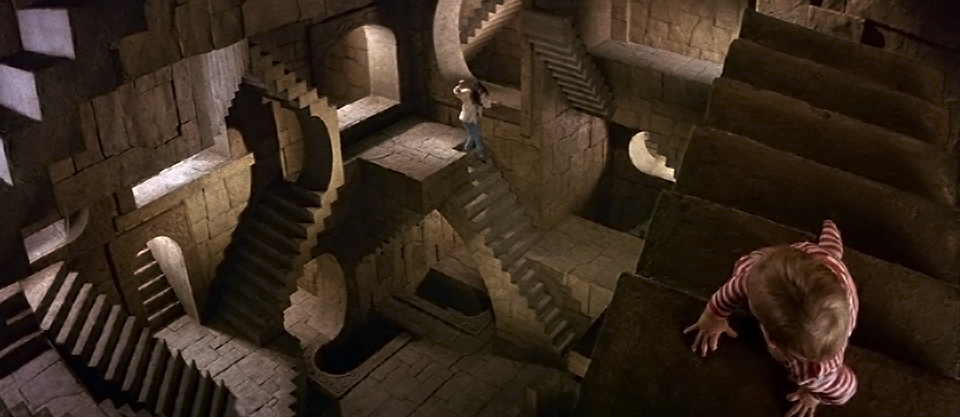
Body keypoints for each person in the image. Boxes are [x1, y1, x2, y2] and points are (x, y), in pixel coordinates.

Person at [684, 220, 858, 417]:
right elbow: (739, 285)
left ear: (774, 344)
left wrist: (814, 395)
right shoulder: (762, 277)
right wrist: (714, 315)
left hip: (812, 260)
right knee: (758, 270)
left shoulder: (817, 371)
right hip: (825, 269)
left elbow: (845, 390)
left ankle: (830, 247)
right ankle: (830, 248)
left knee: (757, 267)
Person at [454, 79, 496, 160]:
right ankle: (480, 153)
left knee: (473, 134)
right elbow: (458, 93)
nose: (483, 96)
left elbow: (485, 102)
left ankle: (467, 149)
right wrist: (459, 86)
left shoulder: (479, 98)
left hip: (474, 119)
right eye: (482, 94)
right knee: (477, 135)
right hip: (467, 118)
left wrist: (493, 103)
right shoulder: (467, 93)